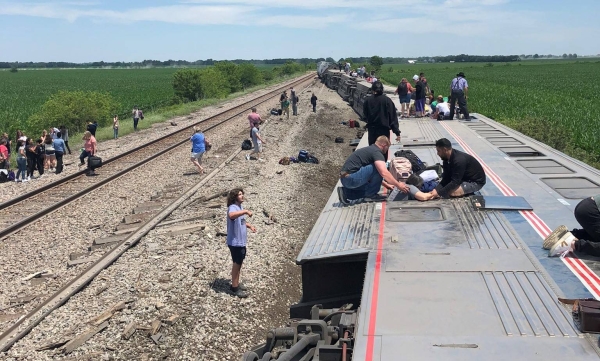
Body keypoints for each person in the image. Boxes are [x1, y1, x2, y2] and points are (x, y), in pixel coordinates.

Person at [337, 136, 409, 204]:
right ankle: (371, 196)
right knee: (378, 167)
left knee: (368, 188)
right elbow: (383, 172)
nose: (387, 150)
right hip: (351, 178)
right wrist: (398, 185)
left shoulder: (370, 150)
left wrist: (386, 184)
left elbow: (372, 174)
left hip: (346, 179)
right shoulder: (377, 152)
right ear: (384, 145)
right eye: (388, 147)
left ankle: (346, 193)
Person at [226, 188, 256, 298]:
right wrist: (245, 211)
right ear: (235, 197)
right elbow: (232, 215)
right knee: (236, 264)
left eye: (242, 194)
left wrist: (250, 226)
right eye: (239, 194)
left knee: (239, 263)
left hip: (241, 242)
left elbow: (241, 221)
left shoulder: (239, 207)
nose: (242, 196)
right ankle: (234, 288)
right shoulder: (233, 207)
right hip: (235, 242)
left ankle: (236, 283)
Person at [363, 81, 401, 158]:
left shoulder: (367, 100)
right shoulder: (387, 100)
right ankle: (383, 167)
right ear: (382, 89)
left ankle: (374, 168)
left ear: (373, 89)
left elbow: (365, 115)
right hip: (384, 130)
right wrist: (397, 132)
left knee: (373, 152)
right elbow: (393, 117)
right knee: (383, 152)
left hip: (372, 130)